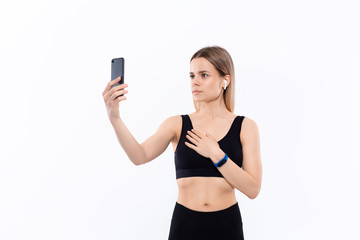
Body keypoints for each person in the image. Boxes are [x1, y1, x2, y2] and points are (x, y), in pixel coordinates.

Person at [102, 46, 262, 240]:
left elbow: (253, 189)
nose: (195, 82)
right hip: (185, 224)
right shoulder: (177, 124)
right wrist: (115, 118)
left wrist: (217, 154)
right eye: (192, 75)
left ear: (225, 80)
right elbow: (139, 156)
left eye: (204, 75)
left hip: (227, 224)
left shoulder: (245, 126)